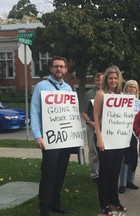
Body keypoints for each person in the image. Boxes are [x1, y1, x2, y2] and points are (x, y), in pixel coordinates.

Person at [30, 56, 74, 216]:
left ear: (66, 69)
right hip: (48, 140)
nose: (59, 69)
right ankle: (45, 208)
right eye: (56, 66)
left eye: (62, 66)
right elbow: (34, 112)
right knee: (48, 174)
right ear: (50, 68)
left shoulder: (68, 89)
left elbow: (71, 114)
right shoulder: (41, 86)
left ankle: (56, 204)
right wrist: (37, 135)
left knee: (60, 173)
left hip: (64, 139)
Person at [93, 66, 126, 215]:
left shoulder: (121, 95)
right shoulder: (101, 94)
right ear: (106, 79)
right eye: (110, 77)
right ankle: (104, 203)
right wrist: (99, 138)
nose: (113, 80)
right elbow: (96, 118)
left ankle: (114, 200)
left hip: (118, 138)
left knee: (115, 171)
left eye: (115, 78)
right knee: (105, 172)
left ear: (119, 80)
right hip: (104, 138)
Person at [118, 80, 140, 193]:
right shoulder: (120, 99)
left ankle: (130, 180)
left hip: (134, 133)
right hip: (123, 132)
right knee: (123, 157)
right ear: (125, 88)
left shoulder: (138, 102)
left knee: (133, 157)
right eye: (130, 87)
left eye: (134, 87)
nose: (132, 89)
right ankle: (122, 183)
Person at [80, 72, 103, 183]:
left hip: (106, 127)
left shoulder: (108, 93)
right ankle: (95, 175)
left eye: (101, 80)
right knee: (93, 150)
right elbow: (83, 111)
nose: (99, 82)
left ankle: (103, 172)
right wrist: (90, 122)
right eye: (97, 80)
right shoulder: (89, 94)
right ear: (95, 81)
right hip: (92, 126)